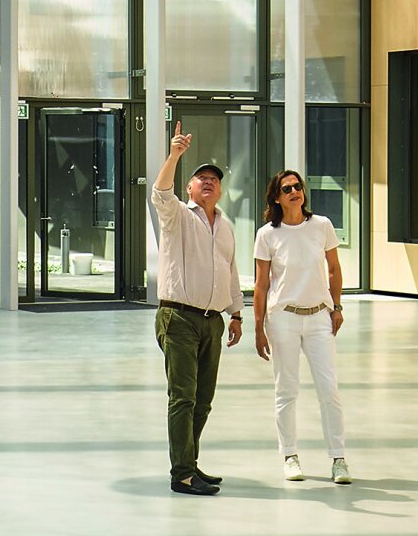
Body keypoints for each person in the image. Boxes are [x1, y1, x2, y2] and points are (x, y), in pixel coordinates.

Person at [149, 126, 242, 496]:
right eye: (201, 178)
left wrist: (236, 314)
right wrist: (174, 155)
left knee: (203, 400)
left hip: (212, 322)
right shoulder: (177, 217)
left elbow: (231, 270)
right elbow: (159, 192)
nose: (208, 183)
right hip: (179, 318)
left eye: (214, 180)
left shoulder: (226, 226)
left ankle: (190, 462)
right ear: (189, 188)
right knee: (183, 397)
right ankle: (182, 474)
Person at [253, 170, 349, 484]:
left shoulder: (321, 225)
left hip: (320, 317)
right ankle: (290, 455)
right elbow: (261, 284)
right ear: (277, 197)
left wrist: (337, 307)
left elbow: (334, 270)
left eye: (298, 186)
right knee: (286, 390)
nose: (295, 191)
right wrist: (258, 327)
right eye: (287, 188)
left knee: (329, 390)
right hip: (283, 318)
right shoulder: (267, 234)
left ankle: (338, 458)